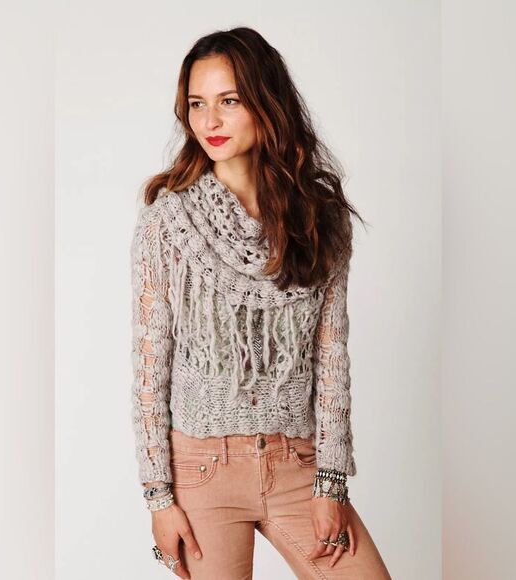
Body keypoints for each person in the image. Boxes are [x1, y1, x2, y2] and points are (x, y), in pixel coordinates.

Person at [130, 26, 391, 580]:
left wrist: (330, 482)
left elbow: (331, 359)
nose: (210, 121)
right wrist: (158, 498)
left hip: (298, 464)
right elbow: (151, 366)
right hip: (202, 469)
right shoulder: (167, 222)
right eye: (197, 104)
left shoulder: (320, 218)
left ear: (265, 102)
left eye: (229, 101)